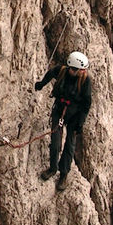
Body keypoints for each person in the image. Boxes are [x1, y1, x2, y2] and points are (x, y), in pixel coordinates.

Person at [35, 51, 93, 191]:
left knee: (69, 145)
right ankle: (53, 168)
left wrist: (80, 123)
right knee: (55, 143)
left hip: (74, 116)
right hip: (59, 111)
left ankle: (64, 174)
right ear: (72, 69)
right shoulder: (61, 71)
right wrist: (41, 84)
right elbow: (50, 74)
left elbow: (86, 103)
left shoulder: (85, 80)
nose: (82, 72)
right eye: (80, 70)